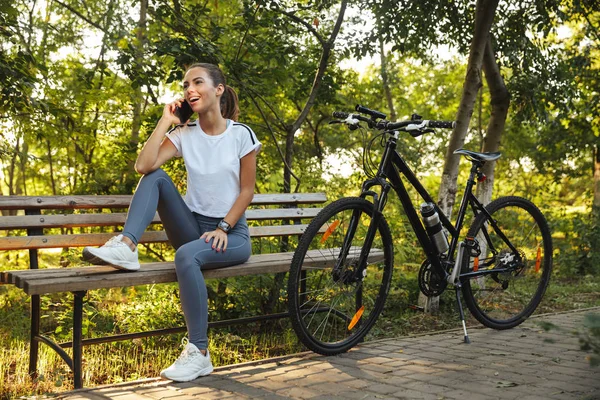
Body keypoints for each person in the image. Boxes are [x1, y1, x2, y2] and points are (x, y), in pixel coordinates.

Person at [82, 62, 261, 382]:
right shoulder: (184, 134)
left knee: (185, 255)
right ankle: (127, 245)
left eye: (198, 82)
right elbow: (143, 165)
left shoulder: (241, 134)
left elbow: (247, 191)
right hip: (192, 229)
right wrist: (166, 120)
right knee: (157, 177)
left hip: (230, 235)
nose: (189, 89)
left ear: (218, 90)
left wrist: (224, 227)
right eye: (185, 85)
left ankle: (199, 353)